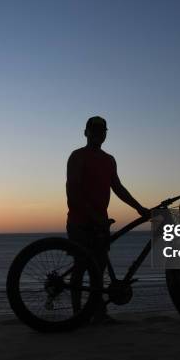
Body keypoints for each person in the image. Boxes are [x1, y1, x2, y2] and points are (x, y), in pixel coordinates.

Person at [66, 116, 150, 322]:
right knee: (80, 268)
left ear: (105, 134)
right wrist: (93, 216)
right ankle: (77, 314)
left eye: (102, 130)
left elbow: (118, 188)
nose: (98, 133)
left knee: (100, 268)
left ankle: (99, 313)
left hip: (101, 223)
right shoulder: (77, 156)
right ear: (85, 132)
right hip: (80, 222)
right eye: (94, 129)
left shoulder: (109, 160)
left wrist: (139, 208)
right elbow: (73, 191)